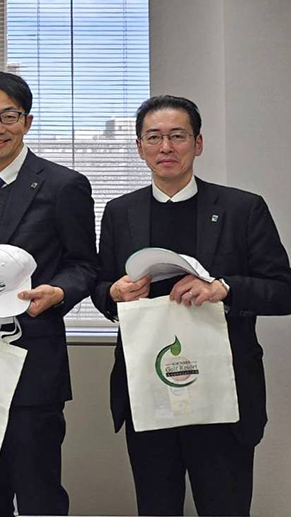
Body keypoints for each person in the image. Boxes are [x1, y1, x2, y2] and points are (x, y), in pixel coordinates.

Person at [92, 94, 291, 516]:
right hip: (148, 391)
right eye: (154, 137)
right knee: (156, 507)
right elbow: (100, 286)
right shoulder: (120, 212)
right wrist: (113, 293)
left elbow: (282, 290)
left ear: (198, 143)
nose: (166, 147)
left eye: (178, 136)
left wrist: (225, 288)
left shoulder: (242, 209)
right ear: (139, 147)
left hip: (223, 397)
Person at [0, 71, 99, 517]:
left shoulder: (64, 185)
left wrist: (59, 291)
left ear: (27, 121)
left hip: (34, 362)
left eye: (8, 116)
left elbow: (86, 265)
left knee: (38, 495)